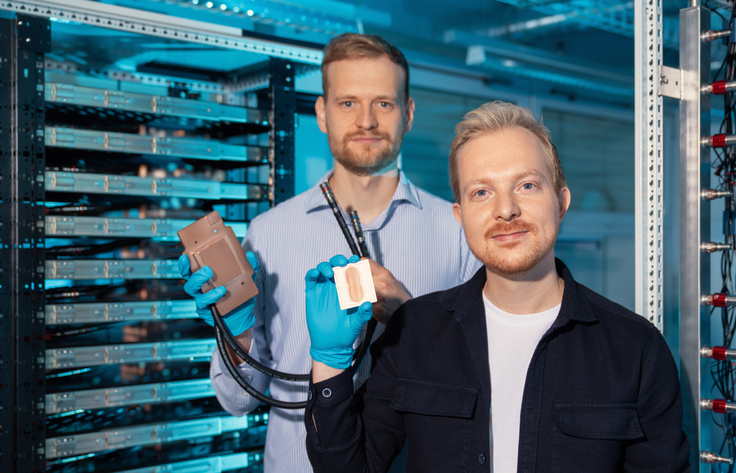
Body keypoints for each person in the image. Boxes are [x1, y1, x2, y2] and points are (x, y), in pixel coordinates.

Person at [303, 101, 690, 472]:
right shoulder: (414, 332)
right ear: (461, 216)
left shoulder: (636, 350)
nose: (505, 209)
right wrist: (329, 363)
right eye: (481, 193)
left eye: (526, 185)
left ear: (561, 202)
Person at [178, 33, 481, 473]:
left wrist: (407, 318)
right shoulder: (267, 233)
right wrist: (236, 334)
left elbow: (482, 381)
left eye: (384, 103)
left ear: (408, 113)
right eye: (347, 103)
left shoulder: (457, 232)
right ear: (321, 113)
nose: (366, 121)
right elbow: (239, 400)